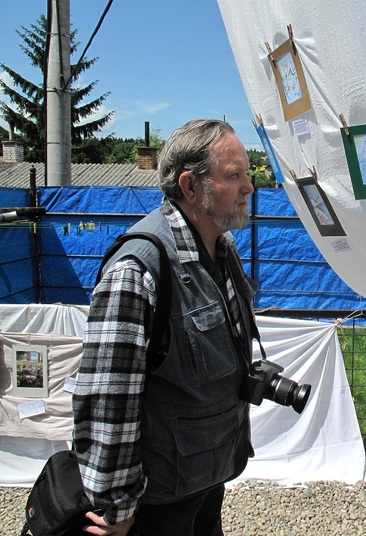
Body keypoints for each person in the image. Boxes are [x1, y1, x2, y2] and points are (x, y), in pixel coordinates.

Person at [73, 119, 258, 536]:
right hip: (156, 502)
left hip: (206, 478)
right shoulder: (138, 270)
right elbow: (108, 398)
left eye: (246, 174)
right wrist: (117, 507)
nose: (249, 187)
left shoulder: (222, 247)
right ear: (190, 186)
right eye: (234, 176)